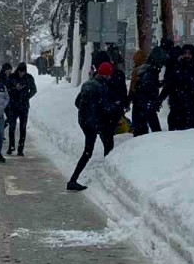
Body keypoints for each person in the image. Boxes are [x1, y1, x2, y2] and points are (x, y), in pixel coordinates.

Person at [67, 62, 117, 191]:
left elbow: (77, 102)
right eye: (109, 74)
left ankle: (74, 180)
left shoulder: (87, 84)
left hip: (84, 121)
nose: (110, 77)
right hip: (93, 122)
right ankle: (73, 180)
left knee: (100, 144)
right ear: (106, 75)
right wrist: (116, 107)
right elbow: (106, 107)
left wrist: (86, 111)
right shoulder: (101, 87)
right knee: (97, 148)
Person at [160, 45, 194, 131]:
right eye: (185, 53)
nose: (187, 56)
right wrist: (159, 99)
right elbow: (168, 86)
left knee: (188, 135)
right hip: (176, 107)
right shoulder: (176, 69)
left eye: (189, 54)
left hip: (193, 107)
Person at [129, 48, 165, 137]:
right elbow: (149, 87)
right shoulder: (150, 70)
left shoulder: (138, 71)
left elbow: (132, 90)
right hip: (146, 105)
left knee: (140, 133)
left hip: (138, 105)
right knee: (155, 131)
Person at [5, 62, 37, 156]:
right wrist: (15, 89)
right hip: (13, 105)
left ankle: (20, 148)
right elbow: (7, 89)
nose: (21, 74)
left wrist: (27, 96)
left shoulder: (29, 78)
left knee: (23, 128)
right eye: (20, 71)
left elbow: (34, 90)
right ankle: (11, 146)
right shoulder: (12, 77)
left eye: (23, 72)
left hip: (24, 106)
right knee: (12, 127)